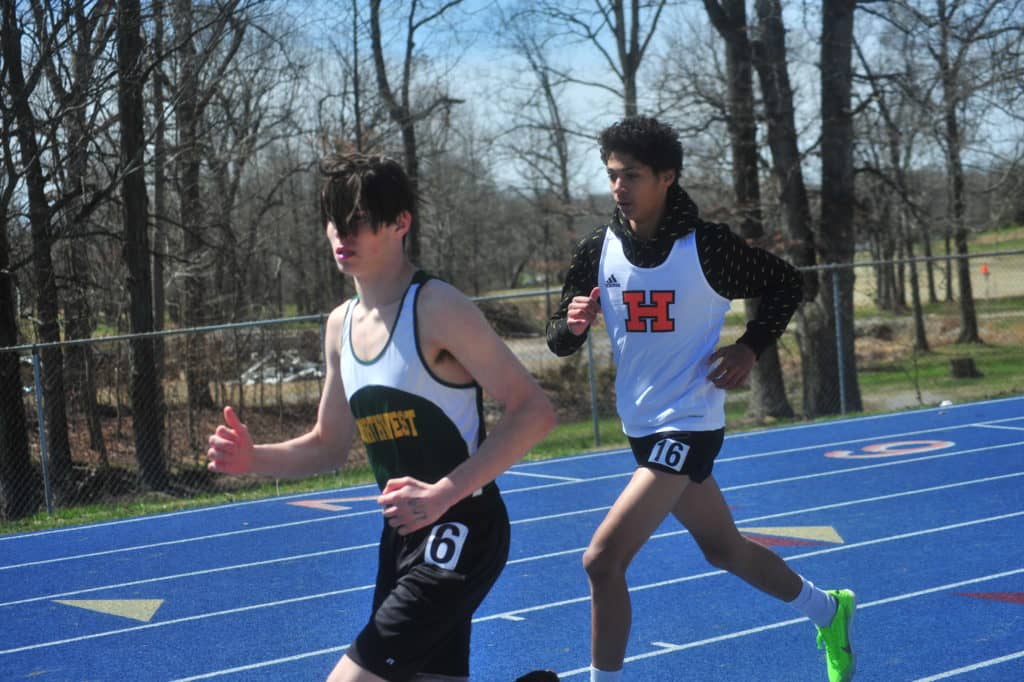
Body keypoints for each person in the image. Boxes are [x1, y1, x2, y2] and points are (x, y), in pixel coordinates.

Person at [207, 152, 558, 682]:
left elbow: (534, 411)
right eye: (333, 220)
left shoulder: (437, 307)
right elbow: (328, 444)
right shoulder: (339, 325)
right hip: (402, 534)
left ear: (400, 223)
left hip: (462, 526)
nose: (341, 234)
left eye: (359, 221)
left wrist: (443, 493)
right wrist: (252, 459)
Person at [546, 117, 855, 682]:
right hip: (641, 427)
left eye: (632, 175)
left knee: (602, 561)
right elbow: (559, 339)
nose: (618, 187)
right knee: (724, 549)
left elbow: (787, 282)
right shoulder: (598, 248)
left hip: (689, 423)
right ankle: (829, 611)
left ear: (667, 177)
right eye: (612, 175)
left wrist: (751, 346)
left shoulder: (707, 247)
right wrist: (571, 325)